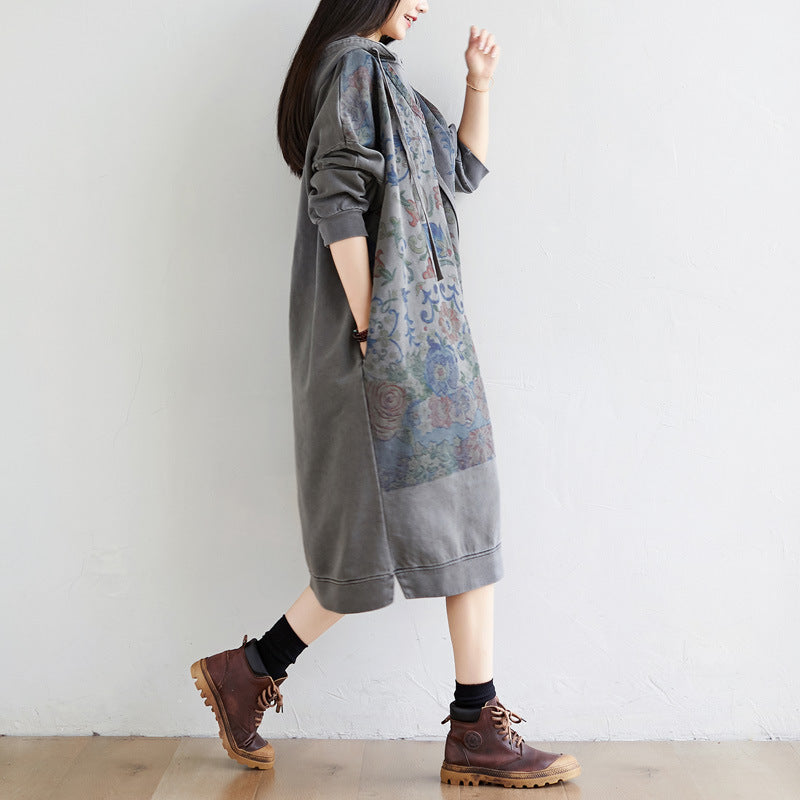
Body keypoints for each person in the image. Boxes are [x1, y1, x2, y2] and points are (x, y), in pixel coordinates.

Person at [190, 0, 581, 789]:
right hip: (388, 346)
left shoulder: (384, 79)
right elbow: (335, 200)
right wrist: (373, 329)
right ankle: (461, 722)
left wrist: (478, 84)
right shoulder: (354, 69)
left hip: (424, 344)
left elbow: (462, 171)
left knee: (453, 520)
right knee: (380, 538)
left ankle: (262, 674)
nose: (424, 4)